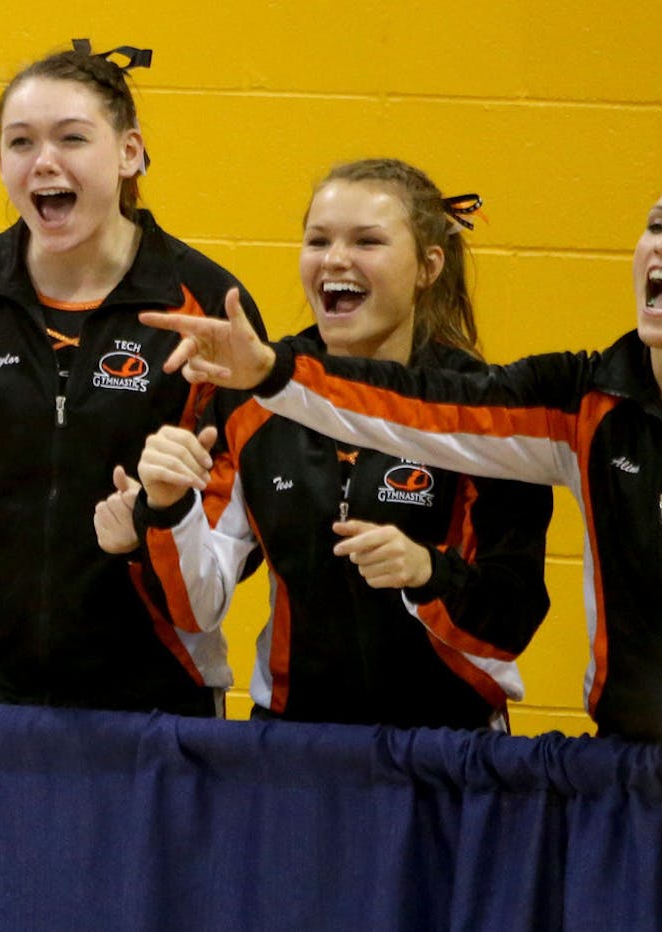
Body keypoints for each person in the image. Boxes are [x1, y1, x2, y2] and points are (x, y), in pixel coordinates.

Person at [143, 164, 662, 745]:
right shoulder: (581, 399)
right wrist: (270, 375)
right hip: (624, 765)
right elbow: (419, 410)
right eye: (656, 225)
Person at [0, 41, 264, 711]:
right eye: (20, 142)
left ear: (129, 152)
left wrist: (153, 525)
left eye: (72, 138)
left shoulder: (207, 307)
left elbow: (238, 534)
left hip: (154, 695)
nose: (44, 160)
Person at [122, 159, 551, 728]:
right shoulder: (252, 399)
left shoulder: (481, 411)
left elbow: (511, 621)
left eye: (367, 241)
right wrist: (166, 507)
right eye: (318, 240)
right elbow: (196, 607)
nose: (335, 259)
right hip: (294, 745)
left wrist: (429, 573)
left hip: (448, 749)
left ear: (429, 266)